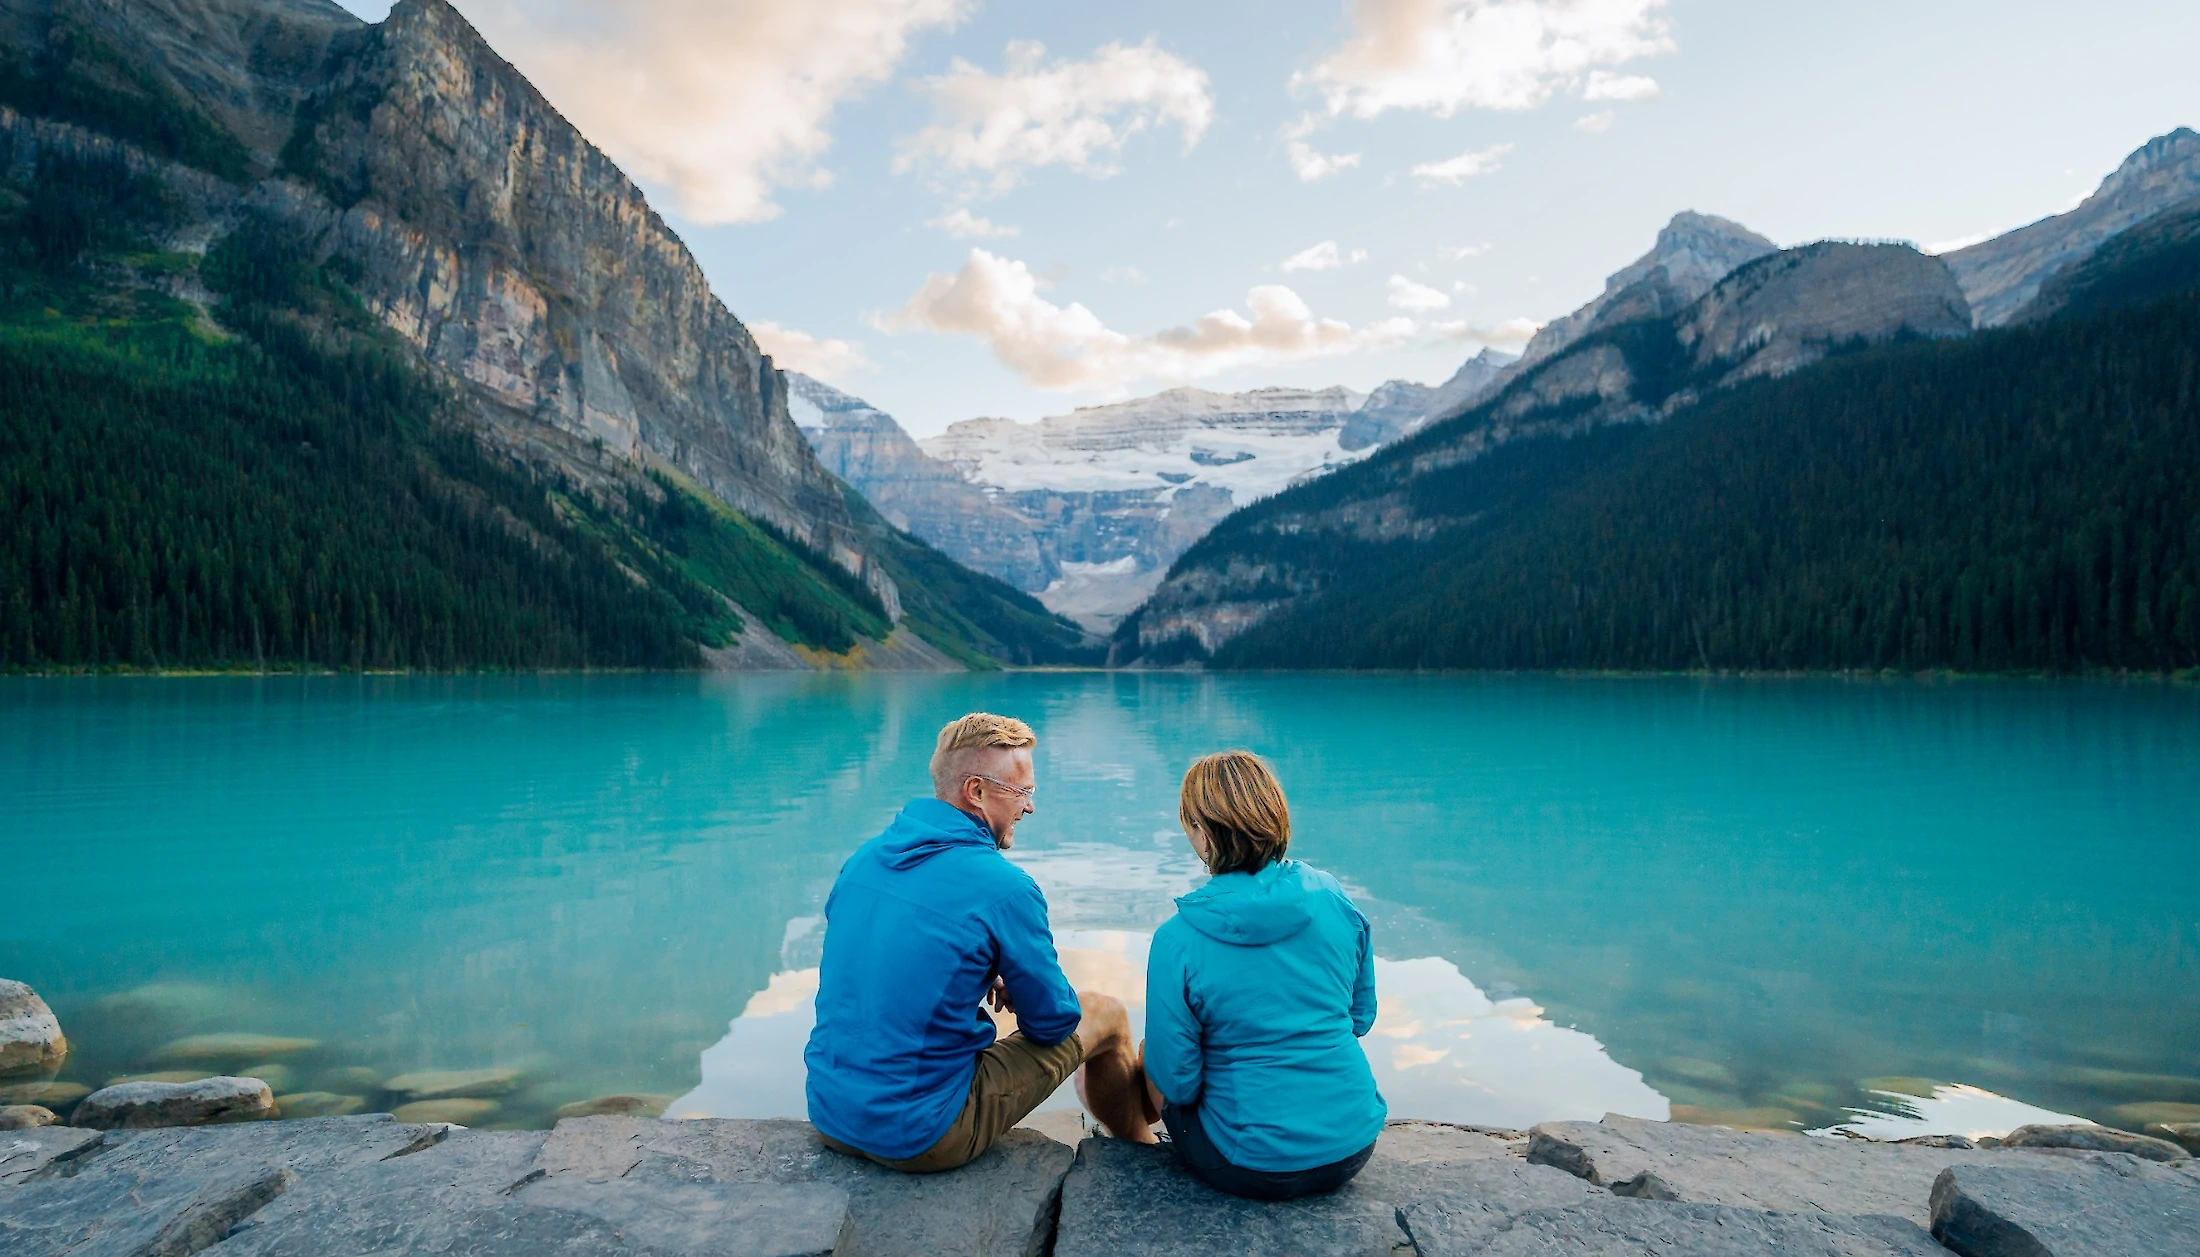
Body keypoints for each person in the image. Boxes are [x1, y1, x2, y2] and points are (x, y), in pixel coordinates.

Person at [805, 712, 1155, 1172]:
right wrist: (1018, 980)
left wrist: (981, 966)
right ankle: (1142, 1148)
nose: (1028, 807)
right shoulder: (1004, 888)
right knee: (1105, 1014)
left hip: (831, 1114)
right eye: (1023, 792)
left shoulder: (862, 861)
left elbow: (883, 965)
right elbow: (1052, 1024)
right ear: (976, 791)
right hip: (920, 1136)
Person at [1141, 750, 1386, 1200]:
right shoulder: (1331, 895)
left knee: (1149, 1050)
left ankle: (1135, 1148)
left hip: (1249, 1163)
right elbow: (1359, 1018)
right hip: (1354, 1145)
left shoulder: (1178, 939)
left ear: (1203, 835)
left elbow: (1177, 1082)